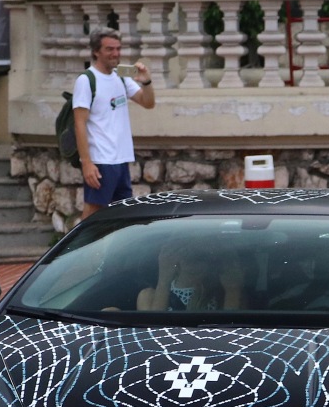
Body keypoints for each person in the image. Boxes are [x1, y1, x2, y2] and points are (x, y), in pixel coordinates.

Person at [73, 27, 156, 221]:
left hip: (121, 159)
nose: (116, 54)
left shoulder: (121, 75)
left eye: (118, 49)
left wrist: (147, 82)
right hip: (101, 160)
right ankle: (72, 250)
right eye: (110, 49)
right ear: (96, 51)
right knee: (93, 214)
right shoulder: (86, 80)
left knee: (121, 216)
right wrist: (87, 163)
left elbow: (148, 103)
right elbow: (79, 123)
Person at [137, 241, 246, 311]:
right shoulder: (149, 296)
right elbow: (152, 334)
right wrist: (164, 281)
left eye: (201, 254)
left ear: (214, 259)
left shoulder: (225, 296)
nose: (193, 254)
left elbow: (230, 334)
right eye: (187, 248)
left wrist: (233, 290)